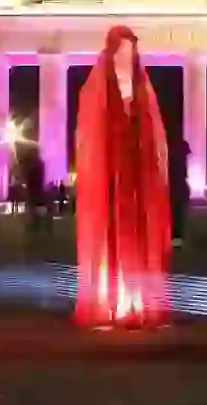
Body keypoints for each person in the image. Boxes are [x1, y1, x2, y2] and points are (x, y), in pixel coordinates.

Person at [74, 24, 170, 330]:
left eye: (131, 52)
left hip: (137, 183)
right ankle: (113, 298)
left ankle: (136, 297)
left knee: (137, 235)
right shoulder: (97, 95)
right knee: (111, 235)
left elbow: (154, 146)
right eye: (120, 53)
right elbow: (90, 144)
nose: (126, 59)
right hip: (110, 184)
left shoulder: (143, 98)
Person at [168, 136, 191, 247]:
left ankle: (174, 237)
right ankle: (176, 238)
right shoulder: (177, 160)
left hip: (174, 191)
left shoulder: (172, 158)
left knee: (175, 215)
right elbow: (183, 176)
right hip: (176, 191)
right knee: (177, 215)